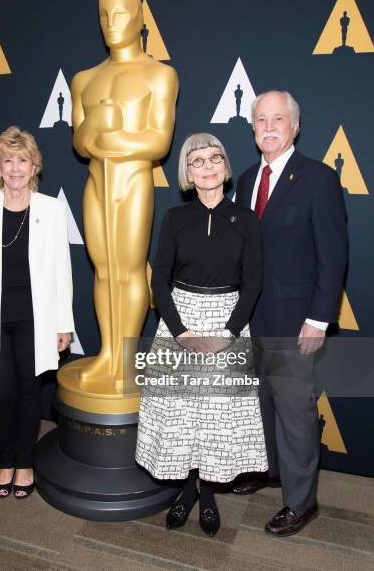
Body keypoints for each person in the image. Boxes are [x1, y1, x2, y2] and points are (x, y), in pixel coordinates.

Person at [136, 133, 268, 536]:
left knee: (216, 415)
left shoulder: (245, 219)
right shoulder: (175, 219)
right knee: (181, 414)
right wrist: (180, 331)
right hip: (181, 319)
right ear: (188, 174)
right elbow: (159, 279)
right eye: (197, 162)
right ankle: (187, 491)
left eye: (215, 159)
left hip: (228, 320)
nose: (207, 167)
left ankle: (208, 494)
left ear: (225, 168)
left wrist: (230, 331)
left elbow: (254, 280)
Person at [234, 91, 347, 536]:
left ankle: (302, 503)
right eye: (260, 120)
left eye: (278, 118)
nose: (268, 127)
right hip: (252, 320)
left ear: (295, 126)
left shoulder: (318, 179)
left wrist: (319, 319)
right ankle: (271, 471)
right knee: (262, 406)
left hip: (296, 322)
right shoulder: (245, 180)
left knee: (296, 414)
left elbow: (334, 255)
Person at [0, 126, 75, 499]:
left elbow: (61, 272)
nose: (16, 168)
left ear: (34, 165)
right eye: (9, 160)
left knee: (27, 392)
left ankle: (23, 463)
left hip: (34, 318)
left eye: (23, 160)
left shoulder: (51, 209)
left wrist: (63, 324)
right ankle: (4, 459)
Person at [69, 0, 178, 389]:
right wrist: (99, 126)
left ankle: (128, 360)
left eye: (120, 14)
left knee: (129, 269)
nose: (111, 23)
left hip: (133, 181)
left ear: (139, 20)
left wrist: (108, 133)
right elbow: (80, 143)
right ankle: (108, 355)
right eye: (104, 15)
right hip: (97, 181)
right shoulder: (85, 79)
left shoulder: (159, 74)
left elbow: (158, 142)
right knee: (103, 270)